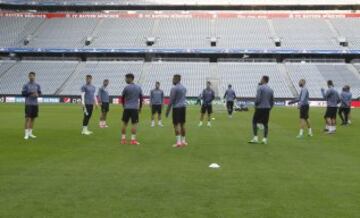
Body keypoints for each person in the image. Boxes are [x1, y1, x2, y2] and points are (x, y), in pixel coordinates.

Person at [248, 76, 274, 144]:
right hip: (267, 108)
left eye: (261, 79)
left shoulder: (260, 88)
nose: (260, 80)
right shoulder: (270, 90)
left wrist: (255, 105)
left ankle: (255, 138)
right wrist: (269, 108)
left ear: (263, 80)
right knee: (265, 124)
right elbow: (272, 101)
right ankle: (264, 139)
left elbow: (258, 98)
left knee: (254, 122)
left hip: (260, 108)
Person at [166, 74, 188, 148]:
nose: (172, 80)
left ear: (177, 79)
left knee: (176, 125)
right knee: (182, 125)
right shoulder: (184, 88)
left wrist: (167, 111)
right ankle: (184, 141)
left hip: (176, 108)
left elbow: (171, 101)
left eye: (173, 79)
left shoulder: (174, 88)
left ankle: (178, 142)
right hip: (183, 107)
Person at [121, 73, 143, 145]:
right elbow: (141, 98)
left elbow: (122, 98)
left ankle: (123, 139)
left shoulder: (126, 88)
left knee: (124, 123)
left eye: (126, 78)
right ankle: (133, 140)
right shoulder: (138, 87)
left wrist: (124, 105)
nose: (125, 80)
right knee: (134, 124)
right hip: (134, 108)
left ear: (130, 78)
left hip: (127, 108)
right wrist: (140, 107)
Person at [22, 72, 41, 140]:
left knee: (33, 119)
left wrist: (37, 95)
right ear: (28, 77)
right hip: (28, 104)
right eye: (30, 76)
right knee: (27, 118)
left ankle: (30, 133)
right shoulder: (26, 85)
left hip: (35, 104)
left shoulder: (37, 85)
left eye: (32, 76)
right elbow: (23, 94)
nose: (31, 77)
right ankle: (26, 134)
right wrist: (31, 93)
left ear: (35, 77)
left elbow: (39, 93)